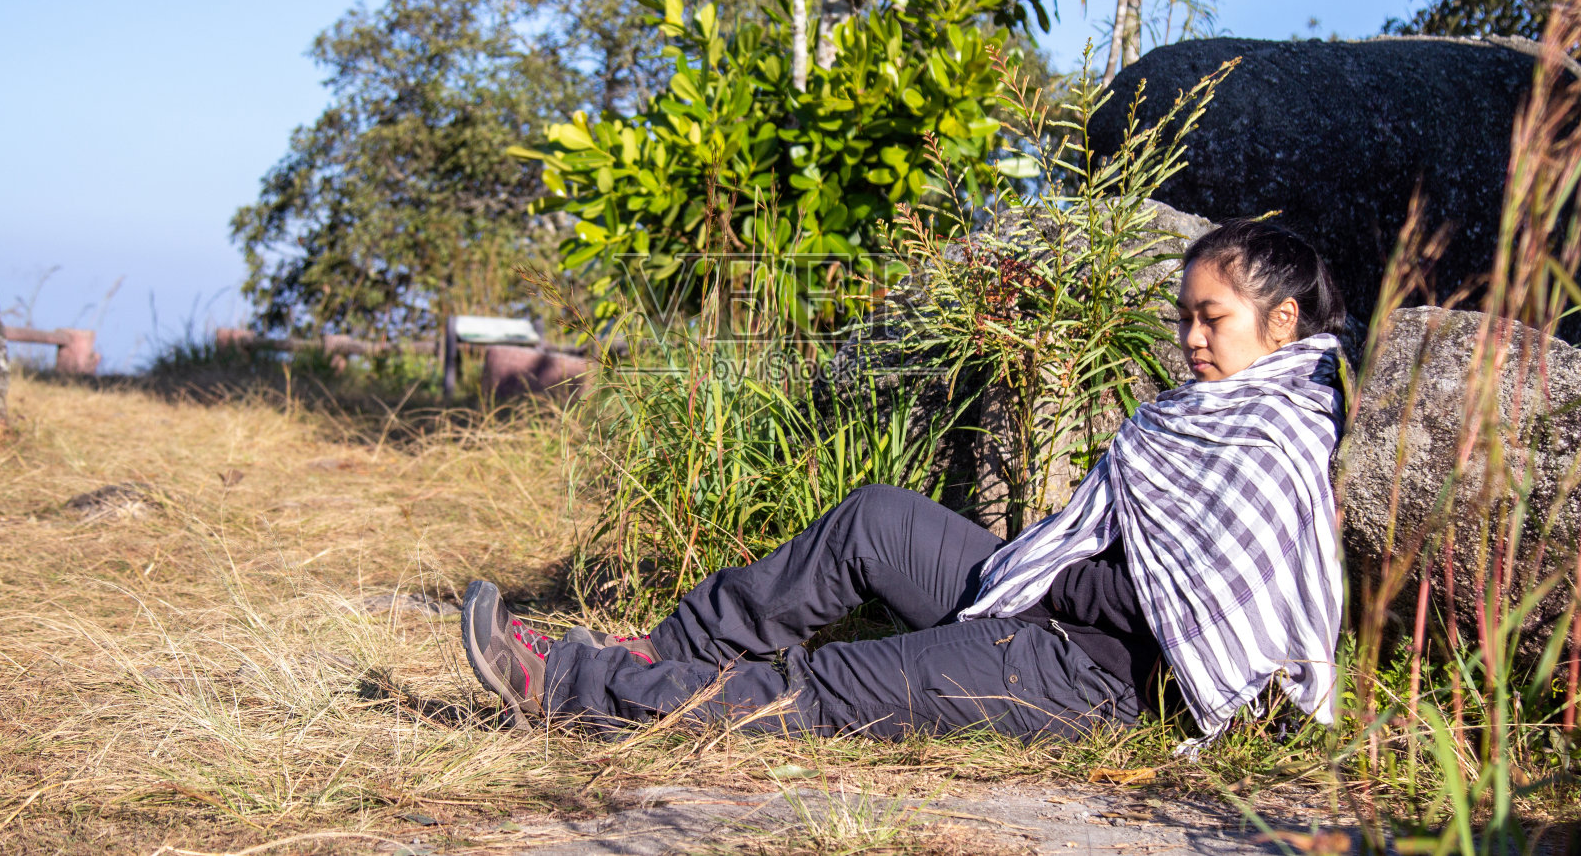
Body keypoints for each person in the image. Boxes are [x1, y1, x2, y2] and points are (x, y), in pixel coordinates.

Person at [460, 219, 1351, 743]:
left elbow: (1174, 609)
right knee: (875, 519)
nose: (1192, 338)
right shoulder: (1197, 411)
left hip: (1097, 678)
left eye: (1212, 318)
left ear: (1280, 321)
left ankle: (574, 688)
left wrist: (1046, 579)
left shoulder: (1275, 431)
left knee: (837, 682)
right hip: (1043, 606)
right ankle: (667, 651)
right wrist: (1037, 571)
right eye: (1184, 317)